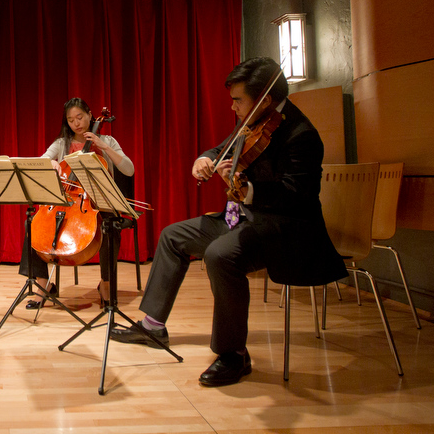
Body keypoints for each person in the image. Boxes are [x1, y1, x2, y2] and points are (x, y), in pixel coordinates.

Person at [109, 57, 347, 386]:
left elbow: (297, 196)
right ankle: (153, 326)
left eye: (238, 100)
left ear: (264, 99)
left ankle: (233, 354)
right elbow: (222, 148)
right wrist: (204, 158)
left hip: (281, 230)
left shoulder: (301, 135)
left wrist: (248, 189)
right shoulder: (251, 120)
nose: (233, 107)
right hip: (241, 220)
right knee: (172, 235)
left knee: (220, 255)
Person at [19, 97, 135, 310]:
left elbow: (128, 169)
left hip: (100, 203)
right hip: (69, 201)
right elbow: (42, 159)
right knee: (32, 224)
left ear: (90, 115)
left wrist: (103, 147)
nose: (76, 123)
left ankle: (106, 285)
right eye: (71, 120)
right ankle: (44, 285)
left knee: (110, 228)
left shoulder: (108, 141)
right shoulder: (62, 143)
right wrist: (51, 162)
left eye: (80, 117)